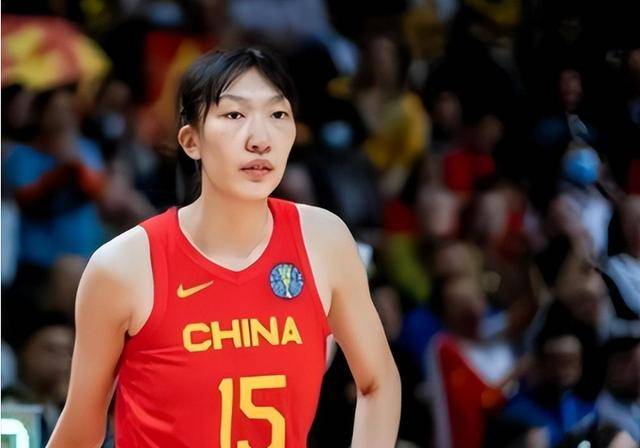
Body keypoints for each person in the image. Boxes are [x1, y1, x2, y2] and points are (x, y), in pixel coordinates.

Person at [46, 47, 401, 447]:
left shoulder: (324, 239)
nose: (260, 139)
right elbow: (81, 430)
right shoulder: (122, 266)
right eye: (234, 115)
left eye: (277, 114)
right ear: (191, 141)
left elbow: (378, 382)